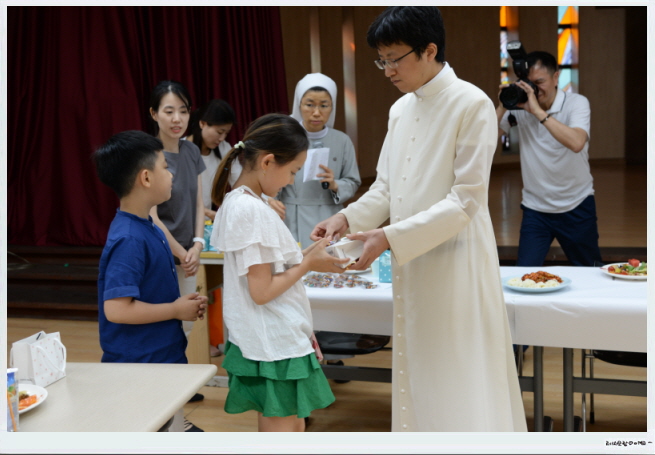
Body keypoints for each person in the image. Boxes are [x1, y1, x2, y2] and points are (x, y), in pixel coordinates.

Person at [310, 6, 527, 432]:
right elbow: (387, 187)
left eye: (394, 58)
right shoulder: (400, 110)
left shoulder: (471, 103)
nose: (388, 70)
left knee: (458, 371)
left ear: (429, 50)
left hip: (457, 262)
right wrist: (346, 218)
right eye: (382, 60)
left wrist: (390, 237)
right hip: (411, 258)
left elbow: (466, 201)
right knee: (420, 368)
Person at [209, 113, 350, 432]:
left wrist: (311, 254)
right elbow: (262, 292)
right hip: (274, 341)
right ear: (268, 162)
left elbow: (271, 269)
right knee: (284, 432)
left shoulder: (243, 201)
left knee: (292, 427)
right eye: (293, 171)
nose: (291, 181)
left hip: (272, 338)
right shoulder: (250, 209)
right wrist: (308, 264)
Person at [93, 130, 208, 431]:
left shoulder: (148, 226)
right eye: (165, 167)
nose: (171, 174)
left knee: (169, 424)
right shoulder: (129, 238)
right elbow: (116, 309)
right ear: (145, 178)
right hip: (140, 365)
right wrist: (175, 309)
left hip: (159, 356)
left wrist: (180, 305)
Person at [496, 51, 602, 266]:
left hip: (576, 205)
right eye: (529, 84)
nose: (535, 90)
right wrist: (502, 106)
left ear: (556, 77)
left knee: (589, 271)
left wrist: (537, 112)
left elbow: (576, 143)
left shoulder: (576, 103)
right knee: (524, 275)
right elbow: (483, 142)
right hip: (536, 209)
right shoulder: (520, 108)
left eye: (539, 82)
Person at [278, 73, 361, 249]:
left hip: (328, 215)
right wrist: (271, 202)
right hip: (291, 215)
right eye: (309, 105)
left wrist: (335, 184)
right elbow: (271, 176)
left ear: (332, 107)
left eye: (324, 105)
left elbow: (353, 181)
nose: (316, 113)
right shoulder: (285, 138)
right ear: (299, 104)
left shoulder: (342, 140)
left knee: (327, 260)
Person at [186, 99, 240, 222]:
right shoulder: (181, 150)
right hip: (184, 222)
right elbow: (176, 199)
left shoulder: (223, 148)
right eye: (219, 132)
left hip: (206, 222)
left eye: (226, 133)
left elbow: (239, 180)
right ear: (202, 123)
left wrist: (266, 199)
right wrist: (208, 213)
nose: (222, 138)